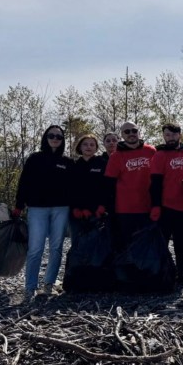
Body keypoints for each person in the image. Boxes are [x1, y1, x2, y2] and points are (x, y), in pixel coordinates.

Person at [14, 125, 73, 300]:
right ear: (45, 138)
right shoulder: (34, 159)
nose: (55, 138)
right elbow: (23, 182)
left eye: (59, 136)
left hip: (61, 209)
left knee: (56, 248)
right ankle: (30, 287)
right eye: (51, 135)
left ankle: (49, 284)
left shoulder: (67, 162)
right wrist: (18, 205)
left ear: (63, 140)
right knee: (35, 249)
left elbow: (74, 187)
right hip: (37, 208)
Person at [150, 123, 183, 285]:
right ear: (163, 136)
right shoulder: (160, 156)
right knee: (162, 242)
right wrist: (156, 206)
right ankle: (163, 272)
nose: (170, 138)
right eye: (167, 135)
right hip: (165, 207)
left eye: (173, 135)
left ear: (180, 135)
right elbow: (155, 183)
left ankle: (182, 273)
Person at [104, 122, 156, 249]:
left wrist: (157, 204)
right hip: (124, 209)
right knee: (125, 245)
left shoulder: (151, 151)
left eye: (134, 130)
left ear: (139, 132)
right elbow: (109, 183)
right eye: (127, 132)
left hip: (147, 207)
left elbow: (158, 179)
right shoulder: (116, 156)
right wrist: (105, 206)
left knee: (145, 246)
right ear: (122, 135)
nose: (131, 134)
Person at [69, 134, 112, 250]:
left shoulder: (103, 163)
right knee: (77, 245)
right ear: (80, 147)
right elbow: (70, 189)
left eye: (92, 144)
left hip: (97, 213)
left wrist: (102, 206)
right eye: (85, 144)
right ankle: (77, 268)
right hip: (76, 214)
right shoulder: (73, 165)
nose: (89, 147)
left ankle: (96, 268)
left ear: (96, 148)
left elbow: (107, 187)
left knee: (97, 246)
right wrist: (75, 208)